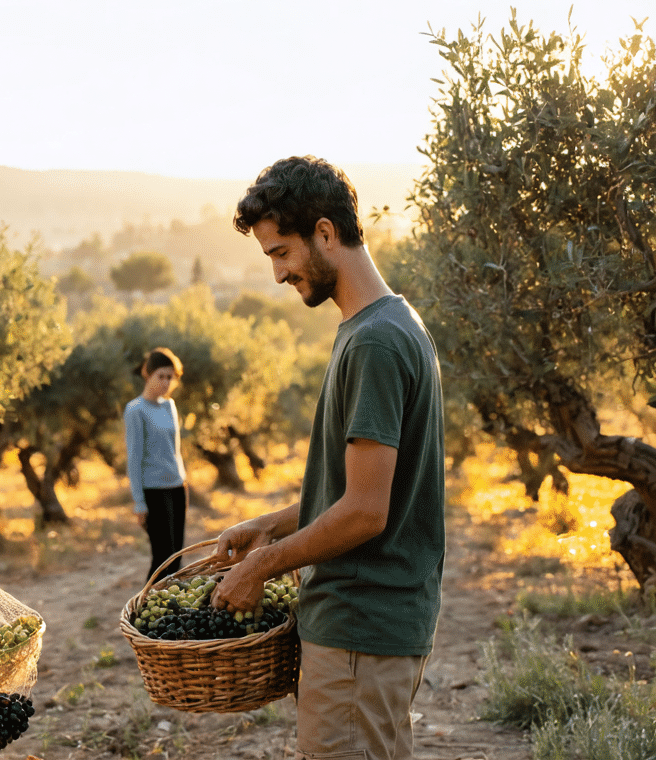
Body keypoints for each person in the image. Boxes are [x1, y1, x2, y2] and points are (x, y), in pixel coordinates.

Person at [212, 156, 445, 760]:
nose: (278, 274)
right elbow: (354, 490)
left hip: (361, 633)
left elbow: (366, 513)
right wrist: (267, 525)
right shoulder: (378, 325)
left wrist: (259, 568)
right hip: (361, 634)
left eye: (280, 253)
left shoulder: (374, 341)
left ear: (324, 232)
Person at [124, 347, 189, 584]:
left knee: (177, 557)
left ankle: (171, 613)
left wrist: (183, 482)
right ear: (148, 374)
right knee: (163, 558)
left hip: (177, 488)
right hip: (154, 492)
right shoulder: (135, 410)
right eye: (161, 376)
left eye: (170, 377)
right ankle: (145, 612)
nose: (165, 382)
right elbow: (134, 458)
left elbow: (176, 450)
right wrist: (139, 502)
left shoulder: (169, 406)